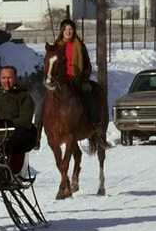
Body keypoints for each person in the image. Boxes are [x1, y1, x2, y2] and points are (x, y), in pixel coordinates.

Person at [35, 18, 110, 149]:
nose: (68, 32)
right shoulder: (56, 47)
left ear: (74, 31)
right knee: (42, 103)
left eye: (70, 29)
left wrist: (84, 79)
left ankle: (97, 131)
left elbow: (87, 65)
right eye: (66, 29)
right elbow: (49, 65)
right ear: (62, 31)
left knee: (89, 99)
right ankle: (37, 133)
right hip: (59, 84)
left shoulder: (80, 45)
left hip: (77, 82)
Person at [0, 65, 37, 175]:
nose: (6, 81)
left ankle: (6, 170)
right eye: (4, 78)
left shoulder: (24, 96)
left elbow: (25, 121)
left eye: (9, 78)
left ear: (15, 79)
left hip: (18, 133)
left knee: (8, 142)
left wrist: (6, 126)